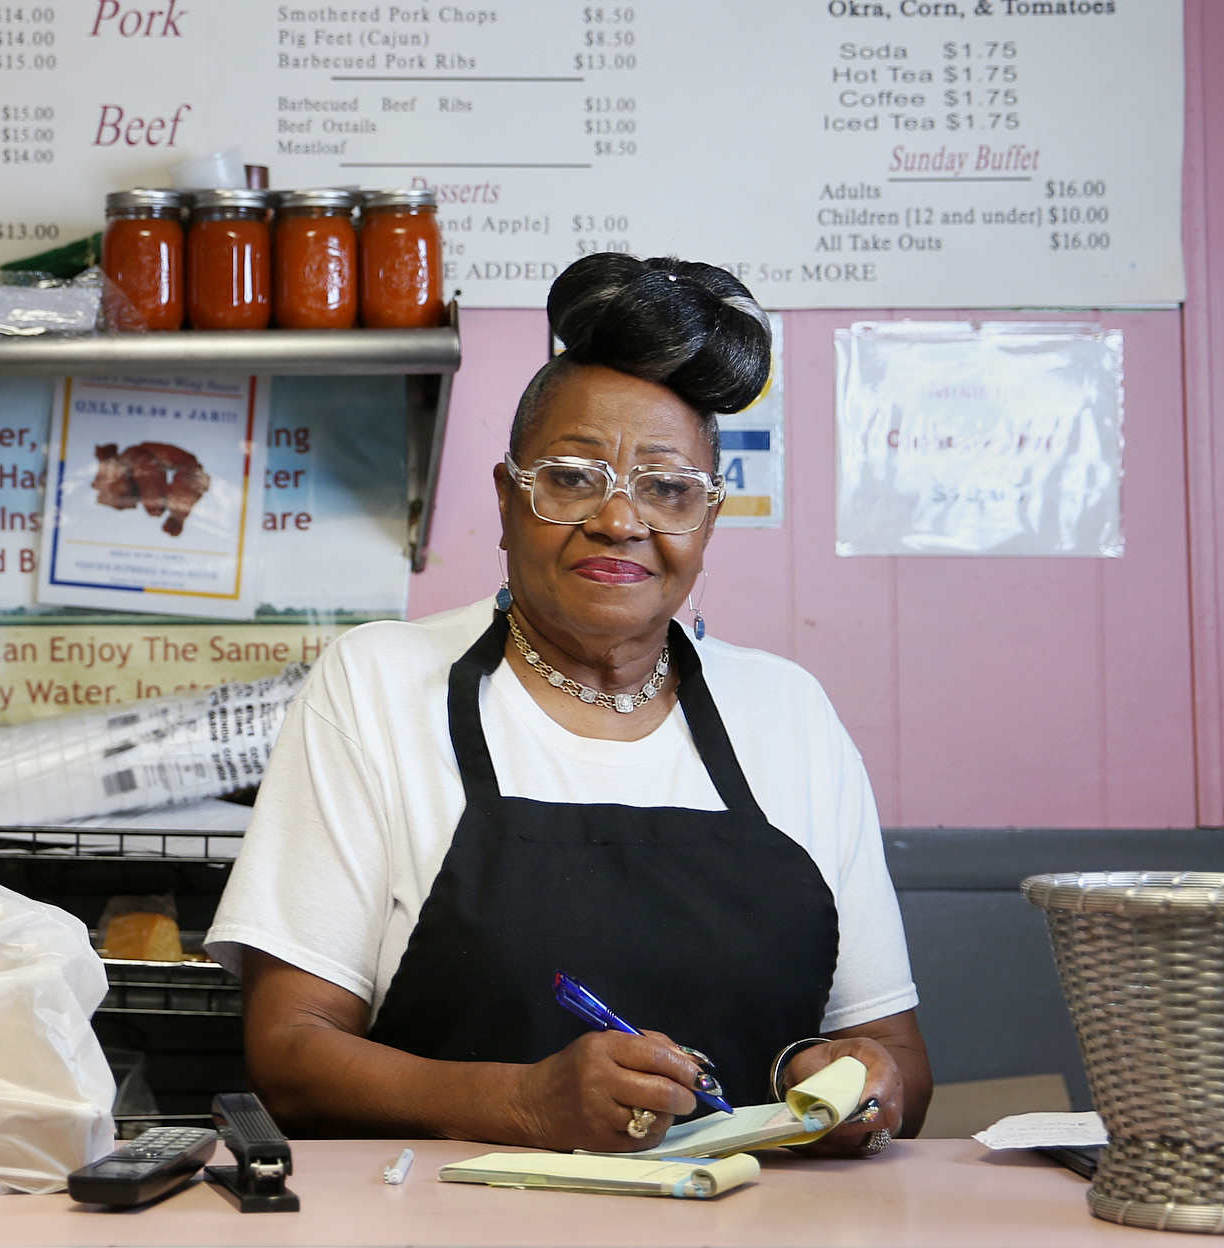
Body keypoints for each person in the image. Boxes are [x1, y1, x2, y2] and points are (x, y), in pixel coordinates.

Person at [205, 253, 930, 1154]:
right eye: (574, 477)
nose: (619, 522)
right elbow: (290, 1053)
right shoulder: (381, 684)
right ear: (510, 499)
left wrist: (844, 1083)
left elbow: (900, 1056)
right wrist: (521, 1105)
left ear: (707, 523)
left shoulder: (789, 714)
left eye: (667, 489)